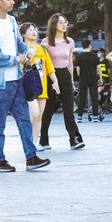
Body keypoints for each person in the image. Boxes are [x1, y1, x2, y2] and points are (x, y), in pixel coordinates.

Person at [0, 0, 50, 172]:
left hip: (17, 79)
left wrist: (27, 51)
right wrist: (16, 59)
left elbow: (19, 43)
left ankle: (31, 157)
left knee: (24, 120)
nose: (12, 2)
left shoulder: (12, 21)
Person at [39, 14, 84, 150]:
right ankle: (43, 140)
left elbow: (70, 63)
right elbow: (43, 62)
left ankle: (74, 139)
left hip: (65, 74)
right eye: (60, 22)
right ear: (54, 25)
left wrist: (71, 81)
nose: (64, 25)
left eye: (65, 22)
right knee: (48, 109)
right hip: (51, 75)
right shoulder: (46, 42)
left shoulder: (69, 41)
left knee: (68, 108)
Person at [20, 22, 60, 145]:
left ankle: (34, 142)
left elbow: (49, 67)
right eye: (30, 30)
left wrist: (55, 81)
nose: (34, 32)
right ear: (23, 34)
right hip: (29, 86)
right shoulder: (21, 49)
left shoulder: (42, 49)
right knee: (34, 114)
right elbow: (20, 65)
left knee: (39, 116)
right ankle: (28, 141)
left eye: (35, 29)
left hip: (42, 85)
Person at [74, 39, 101, 123]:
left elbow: (78, 69)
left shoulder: (79, 56)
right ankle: (95, 116)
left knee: (81, 97)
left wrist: (80, 76)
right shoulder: (94, 55)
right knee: (94, 97)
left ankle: (79, 116)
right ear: (89, 45)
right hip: (93, 78)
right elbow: (98, 68)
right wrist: (100, 78)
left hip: (83, 78)